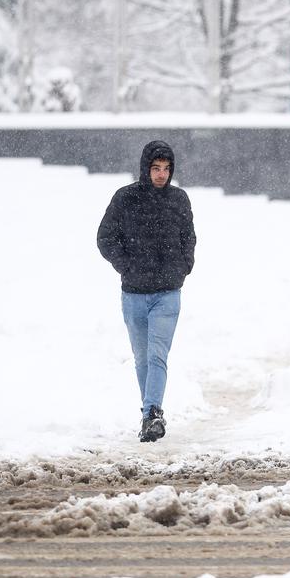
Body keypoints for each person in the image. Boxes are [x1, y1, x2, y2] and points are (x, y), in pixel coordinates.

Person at [96, 140, 197, 443]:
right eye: (156, 168)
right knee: (142, 359)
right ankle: (149, 417)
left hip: (168, 292)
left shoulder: (179, 200)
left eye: (166, 169)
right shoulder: (125, 199)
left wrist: (183, 266)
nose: (161, 174)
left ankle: (152, 412)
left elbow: (189, 237)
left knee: (157, 355)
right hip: (134, 294)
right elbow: (105, 237)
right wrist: (125, 265)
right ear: (145, 168)